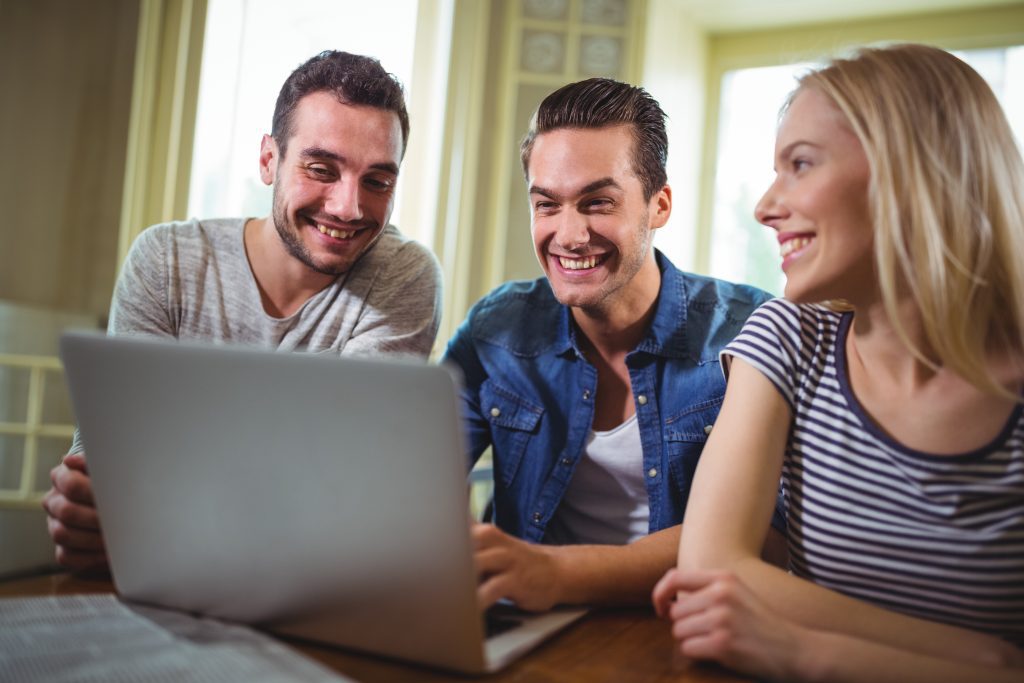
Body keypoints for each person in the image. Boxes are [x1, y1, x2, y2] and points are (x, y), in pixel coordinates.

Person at [652, 44, 1024, 680]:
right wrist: (983, 660)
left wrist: (810, 651)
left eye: (800, 164)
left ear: (915, 172)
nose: (766, 207)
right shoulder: (789, 339)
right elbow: (710, 572)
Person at [43, 50, 443, 575]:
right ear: (268, 160)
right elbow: (110, 464)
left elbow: (338, 489)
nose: (349, 207)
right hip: (142, 579)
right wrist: (91, 506)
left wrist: (162, 502)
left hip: (305, 584)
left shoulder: (404, 275)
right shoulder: (166, 260)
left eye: (378, 181)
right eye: (321, 169)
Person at [443, 78, 779, 612]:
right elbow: (419, 481)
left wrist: (556, 573)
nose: (570, 234)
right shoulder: (497, 329)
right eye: (547, 205)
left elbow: (770, 535)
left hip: (680, 624)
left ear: (659, 204)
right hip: (530, 619)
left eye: (598, 202)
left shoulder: (749, 333)